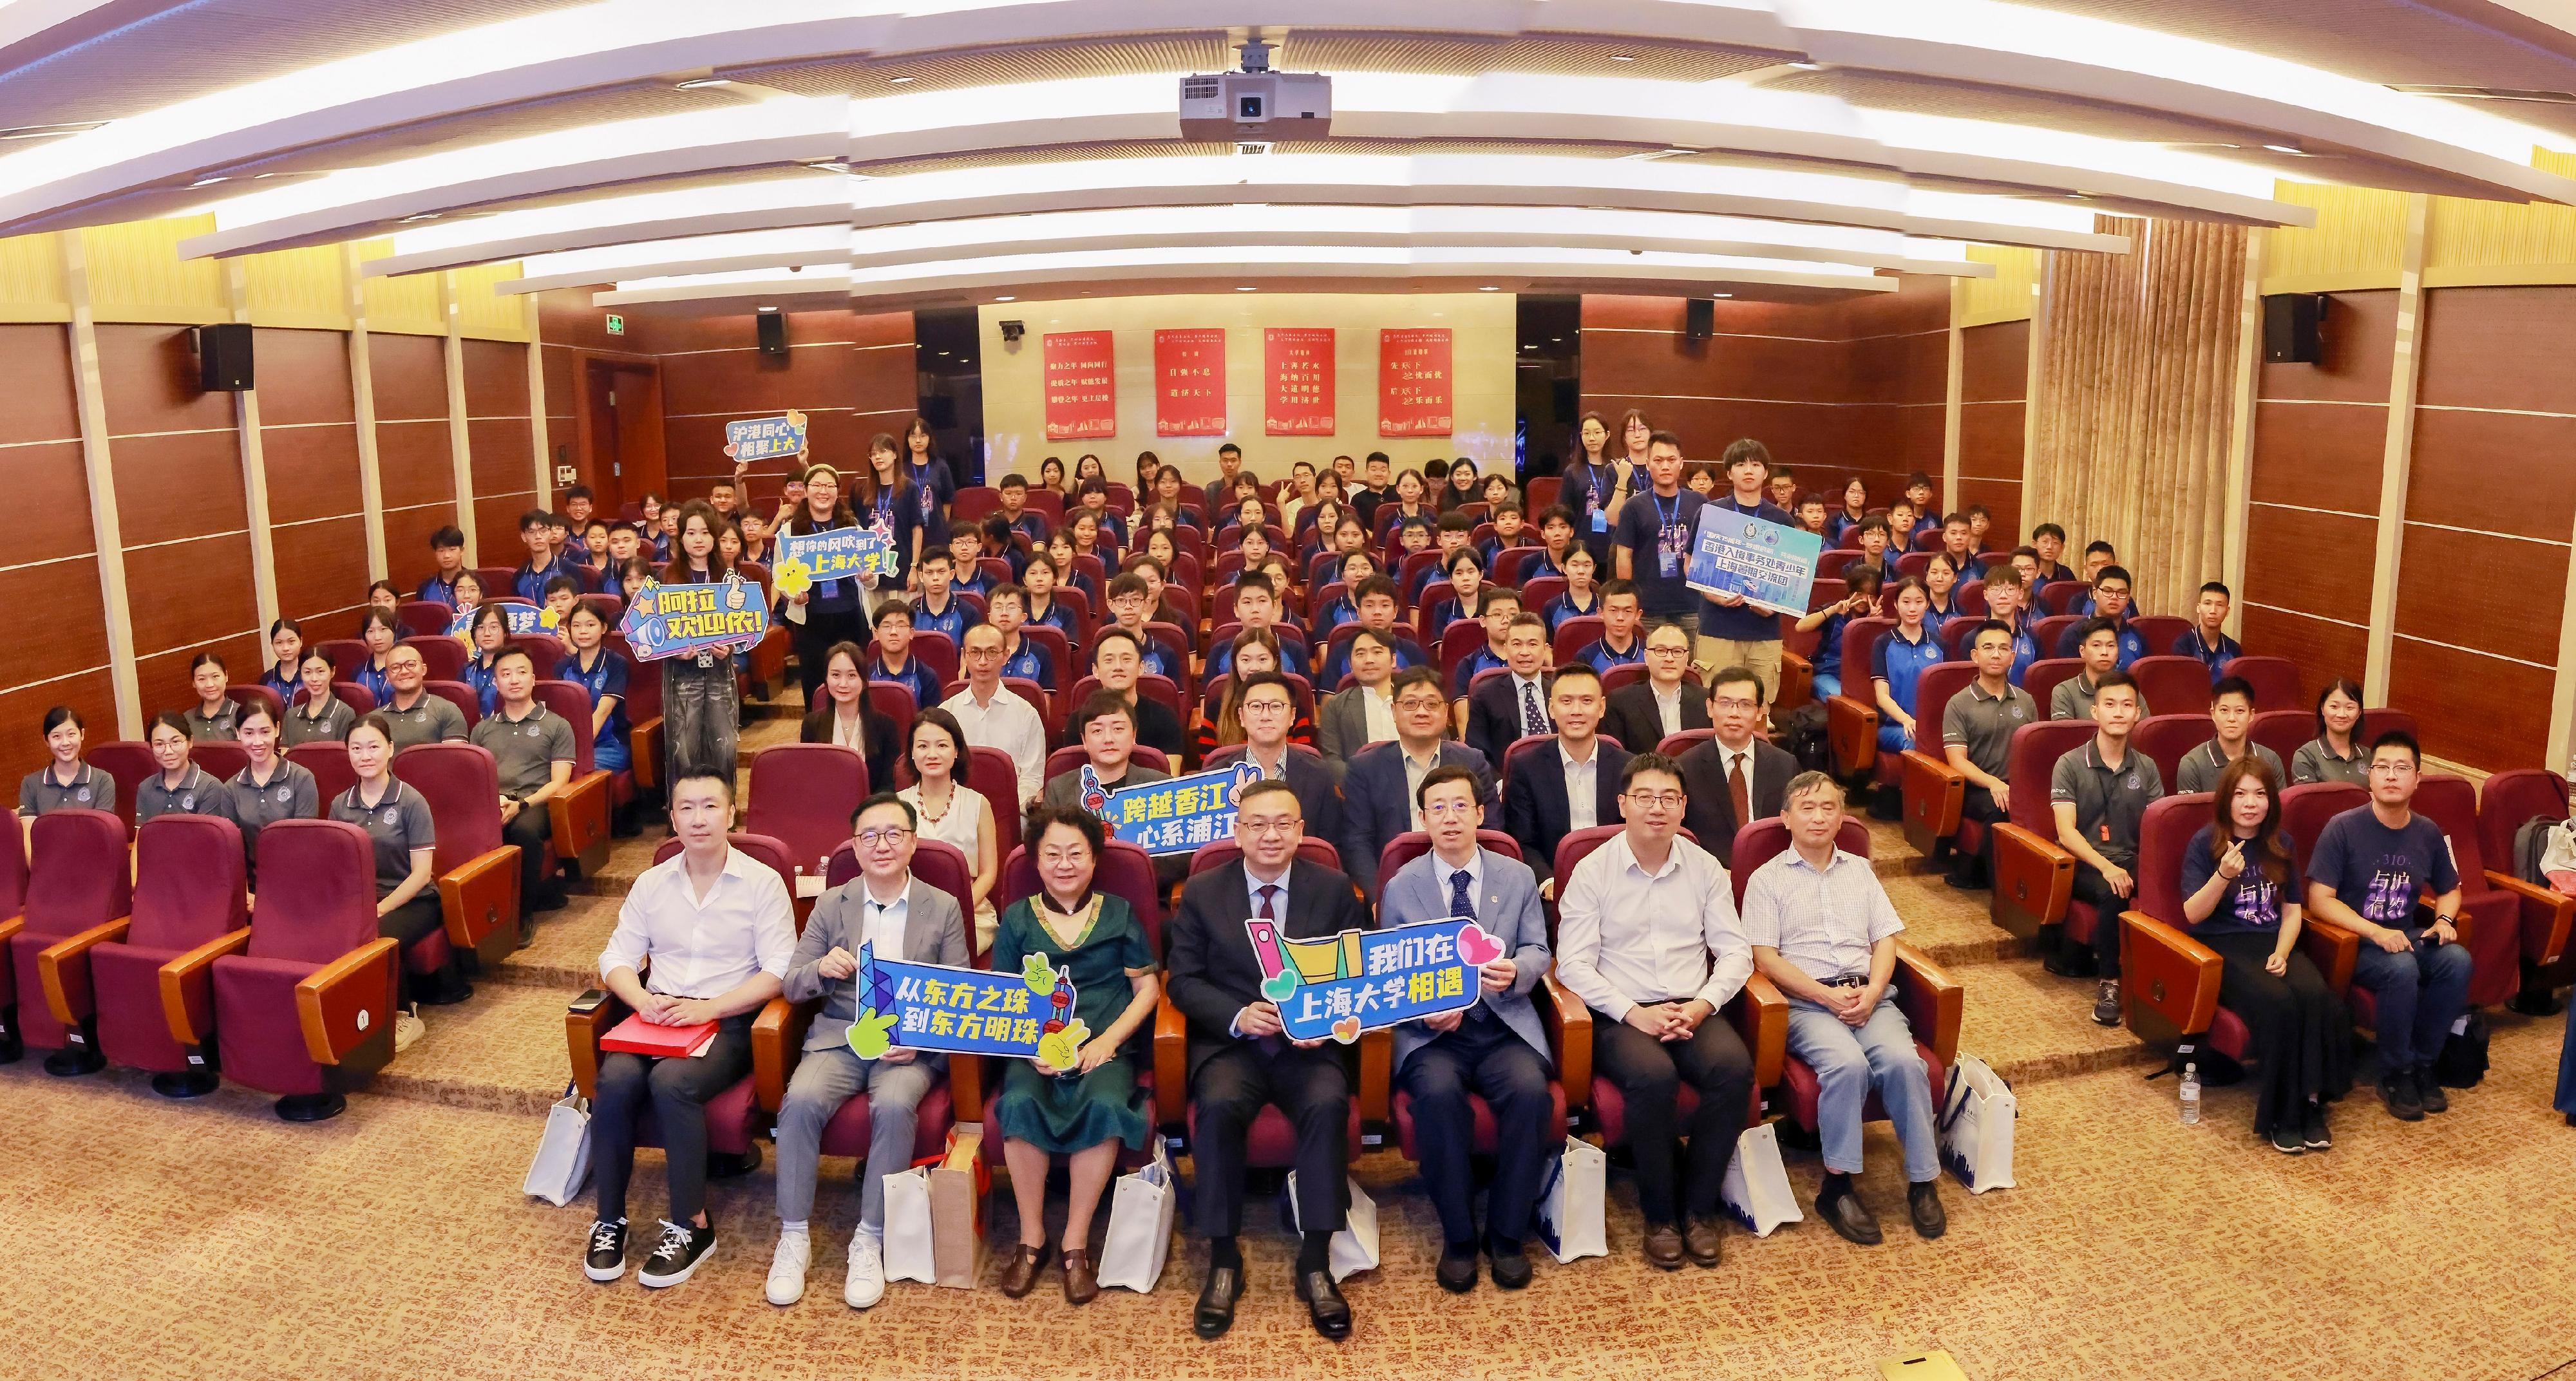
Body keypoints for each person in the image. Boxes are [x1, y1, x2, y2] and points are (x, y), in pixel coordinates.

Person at [1163, 779, 1372, 1340]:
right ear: (1237, 832)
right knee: (1220, 1103)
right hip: (1233, 1043)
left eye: (1284, 823)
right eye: (1257, 823)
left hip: (1311, 1047)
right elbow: (1182, 980)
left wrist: (1325, 1021)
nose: (1271, 834)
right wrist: (1237, 1014)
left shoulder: (1334, 891)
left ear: (1302, 831)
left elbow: (1360, 974)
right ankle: (1224, 1255)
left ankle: (1316, 1259)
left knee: (1329, 1104)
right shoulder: (1203, 892)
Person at [585, 768, 793, 1290]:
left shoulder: (761, 881)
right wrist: (641, 998)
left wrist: (711, 1009)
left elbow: (779, 969)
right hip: (658, 1013)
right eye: (686, 807)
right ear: (672, 817)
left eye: (709, 806)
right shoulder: (652, 882)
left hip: (729, 1018)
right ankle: (608, 1218)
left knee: (670, 1083)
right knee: (614, 1081)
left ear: (731, 813)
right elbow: (616, 955)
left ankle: (692, 1224)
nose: (698, 818)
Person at [762, 794, 970, 1311]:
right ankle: (793, 1237)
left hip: (910, 1041)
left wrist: (919, 1040)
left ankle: (869, 1237)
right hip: (841, 1034)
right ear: (854, 846)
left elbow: (959, 991)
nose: (882, 844)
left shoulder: (940, 905)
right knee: (802, 1099)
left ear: (914, 841)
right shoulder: (833, 904)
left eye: (894, 833)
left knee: (897, 1105)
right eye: (870, 836)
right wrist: (821, 970)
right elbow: (791, 983)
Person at [1555, 753, 1755, 1270]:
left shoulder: (1705, 867)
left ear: (1684, 806)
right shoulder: (1592, 870)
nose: (1657, 808)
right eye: (1644, 797)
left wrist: (1703, 1003)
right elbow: (1573, 964)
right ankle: (1660, 1213)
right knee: (1652, 1076)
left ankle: (1698, 1208)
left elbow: (1735, 951)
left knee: (1732, 1070)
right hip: (1621, 1012)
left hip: (1693, 1002)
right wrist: (1631, 1012)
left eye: (1669, 798)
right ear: (1622, 804)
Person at [1745, 771, 1946, 1244]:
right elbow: (1765, 958)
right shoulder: (1766, 879)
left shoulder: (1860, 870)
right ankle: (1837, 1185)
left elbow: (1885, 938)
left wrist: (1875, 990)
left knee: (1904, 1062)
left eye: (1829, 807)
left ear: (1842, 816)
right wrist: (1824, 994)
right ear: (1785, 817)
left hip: (1870, 997)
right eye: (1807, 807)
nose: (1819, 817)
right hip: (1806, 1003)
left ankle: (1922, 1180)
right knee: (1846, 1065)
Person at [1383, 766, 1553, 1292]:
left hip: (1502, 1022)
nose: (1450, 818)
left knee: (1531, 1094)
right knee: (1435, 1098)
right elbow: (1388, 971)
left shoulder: (1516, 876)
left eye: (1461, 806)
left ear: (1481, 814)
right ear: (1423, 818)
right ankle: (1458, 1235)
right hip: (1434, 1035)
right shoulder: (1401, 885)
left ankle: (1505, 1234)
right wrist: (1423, 1008)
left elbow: (1538, 951)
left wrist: (1518, 971)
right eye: (1438, 808)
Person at [989, 805, 1161, 1306]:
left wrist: (1107, 1042)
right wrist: (1031, 1046)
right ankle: (1032, 1237)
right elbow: (999, 994)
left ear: (1093, 858)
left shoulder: (1119, 912)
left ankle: (1076, 1242)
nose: (1065, 864)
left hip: (1104, 1049)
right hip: (1034, 1047)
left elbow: (1147, 988)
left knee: (1106, 1106)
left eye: (1076, 853)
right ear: (1036, 862)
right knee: (1019, 1103)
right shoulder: (1019, 917)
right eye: (1052, 854)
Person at [2181, 758, 2348, 1152]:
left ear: (2271, 801)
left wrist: (2284, 952)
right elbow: (2192, 915)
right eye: (2241, 794)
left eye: (2259, 794)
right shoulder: (2205, 844)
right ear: (2227, 800)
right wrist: (2222, 875)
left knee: (2314, 995)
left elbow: (2292, 909)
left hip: (2273, 941)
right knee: (2279, 1003)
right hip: (2226, 945)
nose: (2250, 803)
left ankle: (2310, 1104)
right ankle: (2281, 1114)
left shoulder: (2281, 843)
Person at [2304, 731, 2471, 1122]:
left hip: (2405, 935)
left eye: (2402, 768)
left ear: (2418, 779)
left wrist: (2445, 919)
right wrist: (2374, 932)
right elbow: (2320, 899)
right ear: (2370, 777)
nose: (2391, 776)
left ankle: (2423, 1065)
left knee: (2457, 960)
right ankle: (2394, 1072)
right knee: (2401, 968)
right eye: (2382, 767)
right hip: (2357, 942)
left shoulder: (2429, 831)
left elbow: (2451, 890)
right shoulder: (2342, 828)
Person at [327, 713, 457, 1046]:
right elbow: (339, 869)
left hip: (416, 899)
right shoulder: (341, 805)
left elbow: (422, 874)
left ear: (390, 749)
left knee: (377, 936)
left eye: (373, 747)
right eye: (356, 748)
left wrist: (380, 908)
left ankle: (403, 1014)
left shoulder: (411, 801)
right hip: (363, 898)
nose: (365, 756)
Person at [2048, 670, 2163, 1024]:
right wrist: (2106, 867)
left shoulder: (2146, 767)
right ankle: (2110, 981)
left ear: (2138, 713)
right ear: (2094, 711)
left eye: (2127, 705)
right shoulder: (2069, 763)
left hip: (2132, 860)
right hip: (2083, 862)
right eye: (2109, 705)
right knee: (2115, 891)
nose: (2118, 712)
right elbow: (2066, 833)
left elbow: (2156, 832)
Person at [1338, 666, 1496, 897]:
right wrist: (1379, 896)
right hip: (1395, 883)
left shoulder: (1473, 762)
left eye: (1432, 704)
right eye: (1410, 704)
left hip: (1464, 879)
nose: (1422, 712)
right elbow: (1357, 841)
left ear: (1446, 712)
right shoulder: (1364, 768)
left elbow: (1491, 829)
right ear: (1394, 711)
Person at [470, 647, 577, 921]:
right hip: (494, 802)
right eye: (505, 674)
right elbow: (474, 780)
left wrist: (521, 804)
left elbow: (560, 781)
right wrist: (495, 802)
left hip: (536, 802)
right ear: (495, 683)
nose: (514, 680)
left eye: (521, 672)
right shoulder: (482, 729)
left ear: (533, 679)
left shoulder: (557, 725)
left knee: (524, 833)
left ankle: (521, 917)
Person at [1503, 662, 1626, 888]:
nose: (1576, 711)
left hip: (1620, 884)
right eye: (1566, 701)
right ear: (1551, 708)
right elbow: (1523, 841)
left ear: (1601, 708)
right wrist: (1549, 883)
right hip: (1554, 888)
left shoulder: (1628, 766)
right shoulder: (1525, 767)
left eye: (1587, 701)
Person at [1938, 621, 2040, 890]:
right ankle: (2004, 893)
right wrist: (1994, 783)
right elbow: (1957, 761)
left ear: (2012, 656)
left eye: (2003, 648)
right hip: (1977, 788)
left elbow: (2033, 755)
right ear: (1975, 655)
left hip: (2016, 787)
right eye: (1988, 648)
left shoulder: (2026, 700)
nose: (1996, 654)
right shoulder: (1958, 703)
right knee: (2003, 808)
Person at [1693, 438, 1794, 704]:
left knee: (1760, 710)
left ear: (1766, 473)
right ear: (1729, 473)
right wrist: (1712, 594)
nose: (1748, 470)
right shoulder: (1711, 512)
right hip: (1717, 629)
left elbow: (1791, 577)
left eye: (1756, 464)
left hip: (1765, 633)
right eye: (1740, 464)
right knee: (1715, 706)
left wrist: (1775, 605)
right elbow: (1690, 563)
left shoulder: (1782, 520)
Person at [659, 501, 752, 780]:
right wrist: (674, 651)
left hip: (720, 671)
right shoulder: (666, 579)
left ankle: (724, 816)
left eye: (704, 533)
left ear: (714, 537)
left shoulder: (731, 579)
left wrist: (732, 646)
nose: (698, 539)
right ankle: (683, 818)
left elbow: (744, 627)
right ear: (680, 537)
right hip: (681, 674)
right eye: (690, 533)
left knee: (725, 749)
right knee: (684, 751)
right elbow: (654, 632)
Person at [895, 709, 998, 947]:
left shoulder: (978, 803)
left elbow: (988, 873)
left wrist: (953, 911)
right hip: (907, 912)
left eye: (942, 745)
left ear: (956, 752)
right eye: (922, 746)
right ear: (911, 752)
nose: (932, 754)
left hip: (969, 912)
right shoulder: (895, 806)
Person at [1678, 666, 1797, 869]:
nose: (1734, 713)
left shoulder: (1785, 765)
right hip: (1709, 879)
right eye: (1725, 703)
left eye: (1745, 705)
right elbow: (1678, 840)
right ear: (1709, 707)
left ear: (1760, 712)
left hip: (1775, 876)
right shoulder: (1684, 768)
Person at [781, 462, 876, 706]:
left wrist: (868, 576)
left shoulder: (852, 527)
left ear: (837, 491)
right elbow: (780, 576)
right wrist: (793, 594)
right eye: (817, 485)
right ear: (806, 489)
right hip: (811, 619)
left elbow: (872, 575)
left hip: (850, 617)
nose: (823, 491)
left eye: (829, 486)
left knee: (853, 682)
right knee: (815, 687)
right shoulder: (790, 530)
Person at [1208, 672, 1340, 844]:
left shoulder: (1319, 774)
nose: (1266, 716)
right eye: (1256, 707)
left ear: (1292, 715)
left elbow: (1331, 847)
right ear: (1241, 716)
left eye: (1276, 707)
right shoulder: (1214, 778)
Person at [1612, 431, 1706, 644]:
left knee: (1691, 670)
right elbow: (1624, 556)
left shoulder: (1700, 503)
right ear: (1648, 464)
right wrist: (1629, 601)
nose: (1665, 466)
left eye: (1671, 460)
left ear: (1681, 463)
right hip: (1648, 607)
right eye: (1658, 460)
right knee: (1652, 665)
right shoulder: (1634, 506)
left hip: (1691, 605)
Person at [943, 624, 1048, 808]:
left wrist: (1004, 809)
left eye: (991, 652)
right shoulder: (946, 712)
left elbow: (1032, 779)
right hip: (955, 809)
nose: (983, 662)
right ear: (964, 656)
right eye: (975, 652)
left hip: (1011, 811)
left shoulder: (1027, 714)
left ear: (1005, 656)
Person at [798, 642, 900, 792]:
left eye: (852, 675)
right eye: (835, 675)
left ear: (864, 681)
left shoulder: (886, 726)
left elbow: (888, 785)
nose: (843, 683)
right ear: (826, 679)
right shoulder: (811, 724)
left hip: (873, 810)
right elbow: (808, 778)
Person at [1043, 693, 1170, 813]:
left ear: (1133, 736)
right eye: (1097, 731)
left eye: (1118, 729)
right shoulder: (1059, 789)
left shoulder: (1161, 786)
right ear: (1084, 740)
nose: (1108, 739)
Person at [1463, 612, 1554, 773]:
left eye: (1532, 644)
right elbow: (1476, 754)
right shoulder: (1485, 695)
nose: (1524, 652)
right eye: (1517, 644)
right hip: (1507, 783)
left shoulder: (1561, 690)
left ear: (1545, 649)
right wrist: (1499, 787)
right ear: (1506, 648)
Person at [1602, 623, 1709, 754]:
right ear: (1646, 657)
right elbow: (1614, 758)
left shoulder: (1706, 700)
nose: (1669, 659)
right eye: (1660, 651)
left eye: (1677, 652)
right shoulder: (1620, 702)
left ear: (1687, 658)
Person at [1085, 628, 1186, 760]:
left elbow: (1170, 777)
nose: (1118, 667)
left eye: (1126, 659)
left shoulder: (1164, 717)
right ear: (1095, 670)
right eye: (1109, 660)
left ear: (1141, 668)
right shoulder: (1080, 721)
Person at [1869, 578, 1944, 755]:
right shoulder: (1883, 643)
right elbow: (1882, 697)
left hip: (1931, 727)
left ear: (1927, 604)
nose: (1912, 608)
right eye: (1906, 602)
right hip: (1893, 725)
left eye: (1919, 602)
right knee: (1914, 741)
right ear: (1895, 604)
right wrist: (1906, 720)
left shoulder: (1940, 644)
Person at [1317, 626, 1402, 779]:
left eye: (1377, 652)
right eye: (1360, 654)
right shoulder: (1336, 706)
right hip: (1359, 792)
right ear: (1350, 664)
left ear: (1393, 660)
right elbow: (1331, 759)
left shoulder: (1415, 701)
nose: (1369, 660)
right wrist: (1361, 786)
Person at [2176, 676, 2284, 794]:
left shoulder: (2271, 760)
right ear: (2213, 714)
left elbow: (2280, 810)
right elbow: (2192, 813)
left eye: (2239, 711)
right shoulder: (2192, 764)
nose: (2231, 718)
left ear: (2251, 715)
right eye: (2224, 710)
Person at [559, 604, 632, 777]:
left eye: (590, 625)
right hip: (568, 747)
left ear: (604, 627)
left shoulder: (616, 663)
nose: (583, 631)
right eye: (576, 626)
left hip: (610, 746)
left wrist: (575, 753)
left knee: (575, 772)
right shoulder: (562, 667)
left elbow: (603, 711)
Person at [1316, 578, 1424, 692]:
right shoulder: (1340, 650)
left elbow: (1422, 692)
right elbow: (1328, 696)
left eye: (1385, 605)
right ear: (1359, 612)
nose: (1377, 612)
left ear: (1395, 612)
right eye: (1369, 606)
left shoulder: (1412, 651)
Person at [135, 712, 238, 829]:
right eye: (159, 744)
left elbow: (207, 839)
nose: (168, 751)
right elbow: (141, 839)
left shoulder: (211, 787)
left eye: (176, 742)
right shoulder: (145, 788)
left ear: (190, 742)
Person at [1796, 568, 1881, 702]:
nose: (1864, 600)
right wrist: (1833, 609)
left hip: (1859, 678)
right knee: (1847, 703)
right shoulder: (1835, 611)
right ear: (1849, 590)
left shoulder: (1877, 619)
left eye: (1871, 595)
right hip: (1827, 673)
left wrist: (1872, 625)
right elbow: (1800, 627)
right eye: (1859, 593)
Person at [18, 706, 113, 822]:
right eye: (57, 736)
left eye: (71, 734)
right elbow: (29, 838)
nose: (65, 743)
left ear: (82, 734)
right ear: (46, 740)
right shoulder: (30, 784)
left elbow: (101, 832)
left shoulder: (102, 781)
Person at [1563, 411, 1633, 567]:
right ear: (1581, 436)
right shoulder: (1572, 472)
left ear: (1607, 435)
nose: (1592, 438)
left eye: (1597, 432)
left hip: (1613, 542)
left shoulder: (1618, 468)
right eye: (1586, 433)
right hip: (1582, 543)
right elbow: (1565, 511)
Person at [377, 644, 470, 749]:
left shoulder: (447, 711)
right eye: (395, 668)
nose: (404, 671)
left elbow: (454, 760)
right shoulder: (374, 720)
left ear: (423, 669)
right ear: (387, 676)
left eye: (411, 665)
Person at [2054, 567, 2146, 666]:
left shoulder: (2137, 635)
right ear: (2095, 594)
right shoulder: (2073, 634)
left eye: (2122, 593)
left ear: (2128, 598)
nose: (2114, 597)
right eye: (2107, 591)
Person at [2289, 679, 2370, 786]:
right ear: (2322, 709)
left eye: (2350, 707)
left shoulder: (2370, 756)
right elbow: (2309, 801)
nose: (2342, 714)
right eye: (2334, 707)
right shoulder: (2306, 756)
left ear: (2359, 712)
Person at [983, 585, 1055, 690]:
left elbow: (1044, 702)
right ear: (989, 617)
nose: (1004, 613)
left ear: (1023, 617)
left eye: (1011, 608)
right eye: (998, 607)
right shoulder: (979, 651)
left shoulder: (1040, 653)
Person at [282, 650, 355, 746]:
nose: (314, 679)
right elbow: (285, 757)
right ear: (301, 674)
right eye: (307, 672)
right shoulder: (291, 715)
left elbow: (343, 757)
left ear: (332, 671)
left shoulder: (344, 713)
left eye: (320, 671)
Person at [1574, 576, 1644, 673]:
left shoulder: (1649, 653)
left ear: (1638, 615)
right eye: (1613, 610)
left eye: (1627, 611)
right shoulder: (1586, 656)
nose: (1620, 618)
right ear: (1600, 613)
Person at [512, 508, 585, 601]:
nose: (538, 537)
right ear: (524, 537)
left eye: (543, 531)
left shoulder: (569, 569)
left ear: (550, 533)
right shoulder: (520, 575)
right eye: (531, 532)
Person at [2176, 581, 2242, 682]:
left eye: (2220, 605)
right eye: (2207, 604)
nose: (2213, 611)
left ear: (2228, 611)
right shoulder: (2183, 645)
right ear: (2198, 608)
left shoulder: (2234, 648)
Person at [1539, 544, 1602, 635]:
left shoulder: (1605, 605)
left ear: (1594, 568)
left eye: (1587, 565)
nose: (1581, 571)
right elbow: (1548, 645)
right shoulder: (1551, 606)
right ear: (1564, 568)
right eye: (1575, 565)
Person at [181, 652, 240, 741]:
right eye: (202, 679)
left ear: (226, 676)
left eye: (215, 676)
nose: (209, 684)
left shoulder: (242, 715)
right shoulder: (186, 719)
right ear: (193, 682)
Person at [351, 606, 401, 707]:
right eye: (370, 631)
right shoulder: (358, 671)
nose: (377, 637)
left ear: (394, 630)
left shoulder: (406, 667)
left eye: (383, 629)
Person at [417, 525, 469, 606]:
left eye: (452, 549)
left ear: (462, 551)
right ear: (435, 553)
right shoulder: (425, 587)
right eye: (441, 550)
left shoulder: (476, 583)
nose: (446, 555)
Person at [260, 619, 305, 700]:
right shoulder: (266, 679)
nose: (286, 648)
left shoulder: (312, 674)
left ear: (301, 641)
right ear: (272, 645)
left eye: (291, 641)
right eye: (279, 643)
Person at [1824, 477, 1871, 548]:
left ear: (1865, 496)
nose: (1856, 496)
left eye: (1861, 492)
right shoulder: (1834, 520)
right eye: (1852, 492)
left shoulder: (1872, 521)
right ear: (1844, 495)